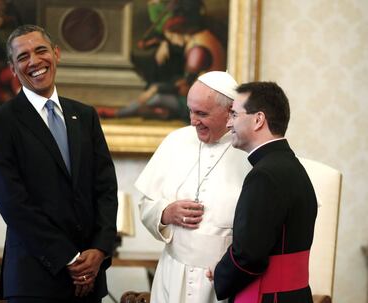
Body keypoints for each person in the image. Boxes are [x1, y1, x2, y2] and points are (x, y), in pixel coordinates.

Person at [0, 24, 118, 303]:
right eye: (23, 57)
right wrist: (68, 258)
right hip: (35, 280)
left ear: (56, 54)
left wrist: (99, 250)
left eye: (40, 50)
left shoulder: (85, 115)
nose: (34, 61)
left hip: (89, 281)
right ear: (13, 68)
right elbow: (13, 203)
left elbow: (105, 189)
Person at [136, 71, 251, 303]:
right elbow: (145, 205)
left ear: (229, 112)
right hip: (172, 274)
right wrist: (165, 213)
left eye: (201, 113)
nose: (192, 120)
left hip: (223, 281)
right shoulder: (176, 141)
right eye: (190, 110)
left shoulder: (249, 150)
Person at [211, 82, 318, 302]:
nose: (228, 123)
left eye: (233, 114)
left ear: (258, 119)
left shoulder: (265, 175)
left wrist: (220, 273)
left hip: (269, 296)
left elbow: (249, 256)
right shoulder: (289, 164)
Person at [99, 15, 225, 122]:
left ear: (179, 33)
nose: (172, 41)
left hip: (202, 104)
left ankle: (117, 114)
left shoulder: (197, 51)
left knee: (157, 98)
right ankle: (158, 112)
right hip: (200, 99)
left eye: (171, 37)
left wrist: (155, 89)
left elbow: (186, 85)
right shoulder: (202, 39)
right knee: (153, 103)